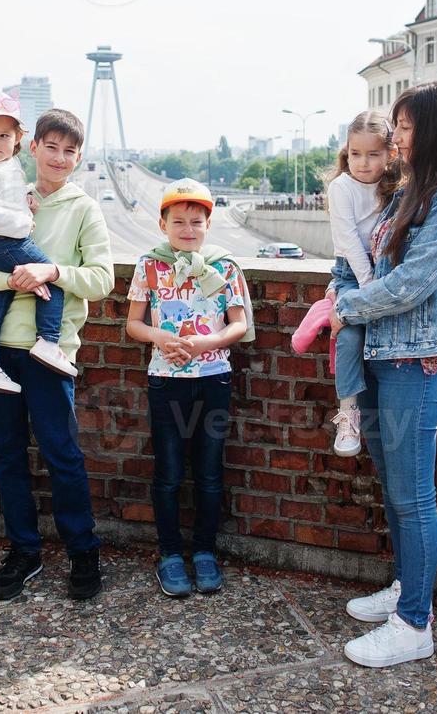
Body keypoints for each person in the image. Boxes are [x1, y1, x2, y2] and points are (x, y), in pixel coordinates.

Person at [329, 81, 437, 669]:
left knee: (413, 495)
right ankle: (405, 588)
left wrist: (344, 308)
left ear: (435, 131)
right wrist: (339, 291)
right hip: (381, 354)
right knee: (395, 491)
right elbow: (358, 261)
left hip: (416, 364)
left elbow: (411, 284)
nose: (394, 136)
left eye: (404, 127)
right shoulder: (407, 194)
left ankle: (414, 623)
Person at [0, 109, 115, 602]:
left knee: (62, 454)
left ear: (78, 157)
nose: (60, 158)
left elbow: (102, 279)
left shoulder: (83, 208)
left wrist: (51, 274)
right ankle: (24, 550)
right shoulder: (1, 188)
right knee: (6, 456)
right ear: (32, 147)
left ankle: (82, 549)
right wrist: (7, 280)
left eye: (70, 151)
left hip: (50, 354)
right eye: (52, 147)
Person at [125, 179, 250, 597]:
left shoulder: (224, 267)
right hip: (166, 381)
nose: (188, 229)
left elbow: (239, 323)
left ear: (208, 224)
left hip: (213, 379)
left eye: (197, 221)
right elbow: (134, 323)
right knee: (170, 472)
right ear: (163, 224)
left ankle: (204, 552)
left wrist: (206, 343)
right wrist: (160, 338)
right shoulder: (150, 266)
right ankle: (169, 554)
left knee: (210, 472)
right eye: (178, 221)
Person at [0, 89, 74, 394]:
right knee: (50, 277)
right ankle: (49, 341)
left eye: (2, 136)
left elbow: (4, 196)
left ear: (17, 138)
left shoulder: (2, 166)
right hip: (3, 241)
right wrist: (23, 222)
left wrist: (24, 199)